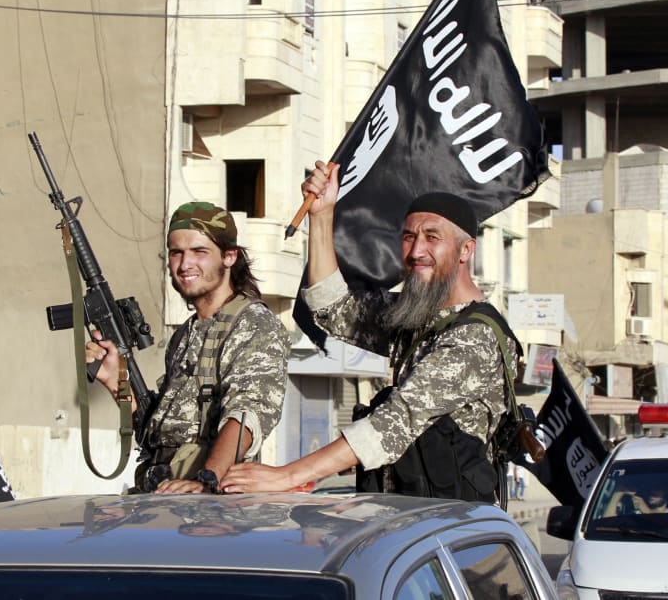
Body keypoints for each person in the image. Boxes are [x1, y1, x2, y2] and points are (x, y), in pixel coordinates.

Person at [220, 161, 522, 503]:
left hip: (454, 531)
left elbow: (393, 423)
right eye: (409, 237)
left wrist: (287, 476)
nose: (416, 251)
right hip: (408, 517)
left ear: (466, 250)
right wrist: (321, 215)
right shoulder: (421, 315)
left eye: (432, 238)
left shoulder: (474, 338)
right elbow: (332, 309)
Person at [86, 202, 289, 494]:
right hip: (163, 498)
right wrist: (116, 381)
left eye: (199, 252)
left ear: (229, 256)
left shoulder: (252, 324)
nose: (184, 264)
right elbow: (158, 434)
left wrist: (207, 480)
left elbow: (247, 415)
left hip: (211, 513)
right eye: (176, 252)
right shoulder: (185, 334)